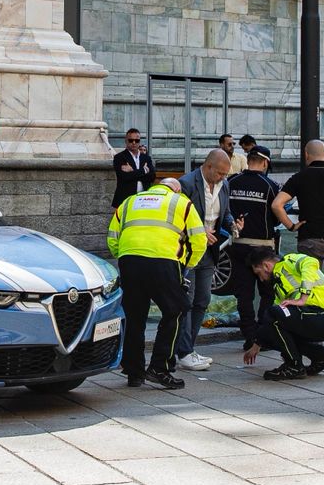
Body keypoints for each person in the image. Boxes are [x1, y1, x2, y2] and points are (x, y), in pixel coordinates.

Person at [106, 177, 204, 391]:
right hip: (164, 262)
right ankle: (160, 367)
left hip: (129, 261)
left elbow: (113, 237)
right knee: (177, 310)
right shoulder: (181, 202)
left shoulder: (129, 202)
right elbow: (199, 240)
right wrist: (186, 266)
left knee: (134, 316)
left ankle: (134, 371)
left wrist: (124, 256)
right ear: (176, 189)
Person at [171, 149, 232, 372]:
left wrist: (233, 224)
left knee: (203, 299)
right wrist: (198, 232)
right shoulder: (186, 184)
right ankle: (184, 351)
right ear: (208, 167)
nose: (223, 178)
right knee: (186, 299)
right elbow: (177, 216)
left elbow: (224, 214)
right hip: (189, 249)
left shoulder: (224, 185)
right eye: (220, 173)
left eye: (226, 175)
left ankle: (188, 347)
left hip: (209, 251)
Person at [244, 249, 324, 380]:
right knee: (271, 328)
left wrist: (303, 297)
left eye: (259, 273)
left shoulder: (289, 261)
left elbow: (311, 262)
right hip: (312, 317)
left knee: (273, 313)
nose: (261, 279)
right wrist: (256, 344)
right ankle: (322, 358)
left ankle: (294, 366)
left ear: (266, 266)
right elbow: (272, 321)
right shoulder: (278, 285)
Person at [274, 140, 324, 298]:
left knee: (309, 289)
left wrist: (291, 226)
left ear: (306, 155)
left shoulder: (299, 178)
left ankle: (315, 319)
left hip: (309, 239)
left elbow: (277, 205)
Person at [225, 147, 281, 364]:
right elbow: (277, 216)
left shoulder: (232, 182)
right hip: (263, 248)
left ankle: (249, 337)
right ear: (265, 163)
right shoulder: (271, 186)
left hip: (238, 245)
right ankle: (262, 335)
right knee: (267, 293)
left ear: (248, 161)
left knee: (244, 294)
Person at [111, 127, 156, 206]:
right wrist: (144, 171)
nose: (134, 142)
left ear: (139, 141)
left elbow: (152, 177)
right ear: (126, 141)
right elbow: (124, 177)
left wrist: (132, 172)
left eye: (137, 140)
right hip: (125, 199)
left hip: (144, 200)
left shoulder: (146, 158)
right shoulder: (119, 157)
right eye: (131, 140)